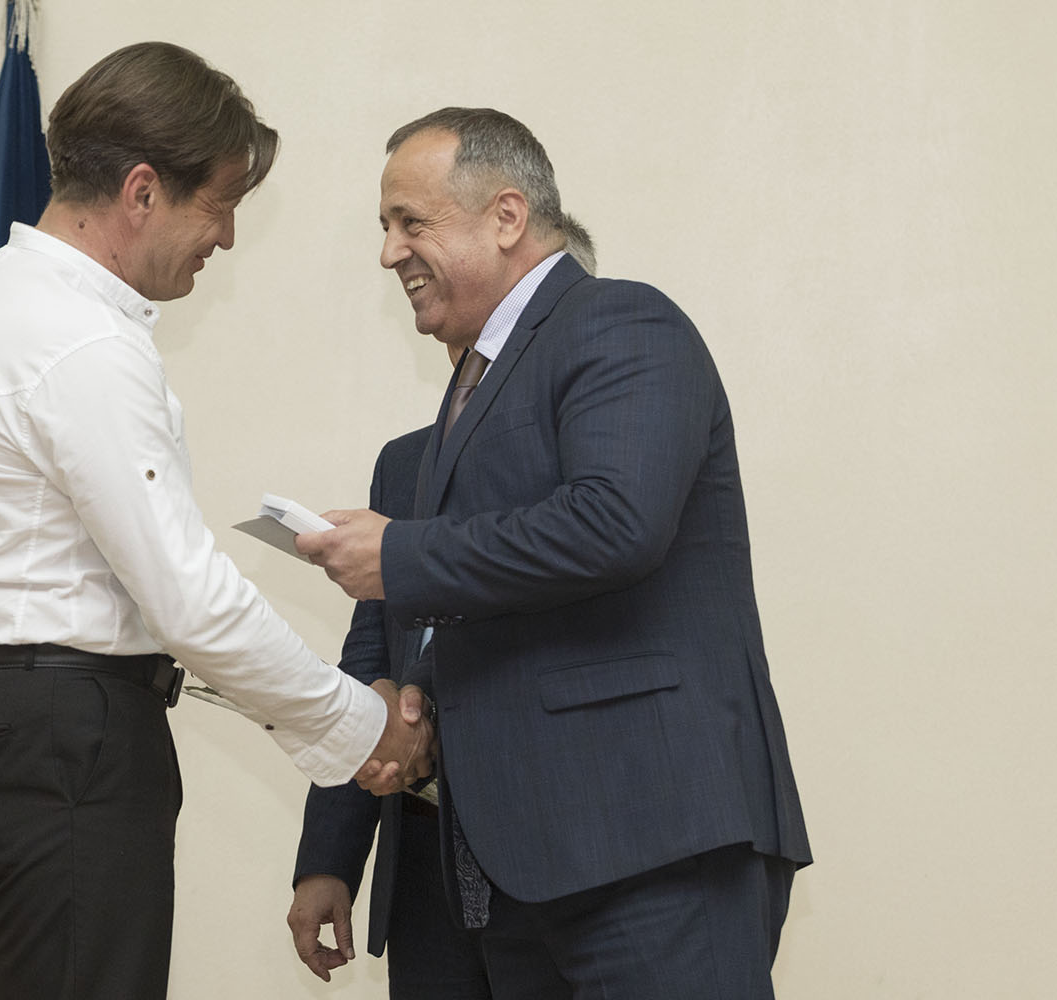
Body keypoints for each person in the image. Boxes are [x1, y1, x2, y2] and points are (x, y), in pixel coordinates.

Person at [0, 43, 428, 1000]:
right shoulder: (80, 341)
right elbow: (190, 600)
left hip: (8, 733)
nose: (225, 236)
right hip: (66, 748)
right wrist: (361, 727)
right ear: (142, 190)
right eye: (218, 203)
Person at [296, 107, 811, 998]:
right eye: (385, 226)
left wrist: (402, 557)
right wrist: (413, 708)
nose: (389, 253)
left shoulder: (621, 322)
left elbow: (615, 523)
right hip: (512, 875)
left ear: (506, 216)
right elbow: (481, 614)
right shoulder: (463, 399)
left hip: (649, 845)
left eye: (411, 222)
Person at [286, 226, 596, 998]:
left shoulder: (584, 469)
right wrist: (328, 861)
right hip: (426, 866)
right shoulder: (404, 464)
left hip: (557, 859)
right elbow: (370, 665)